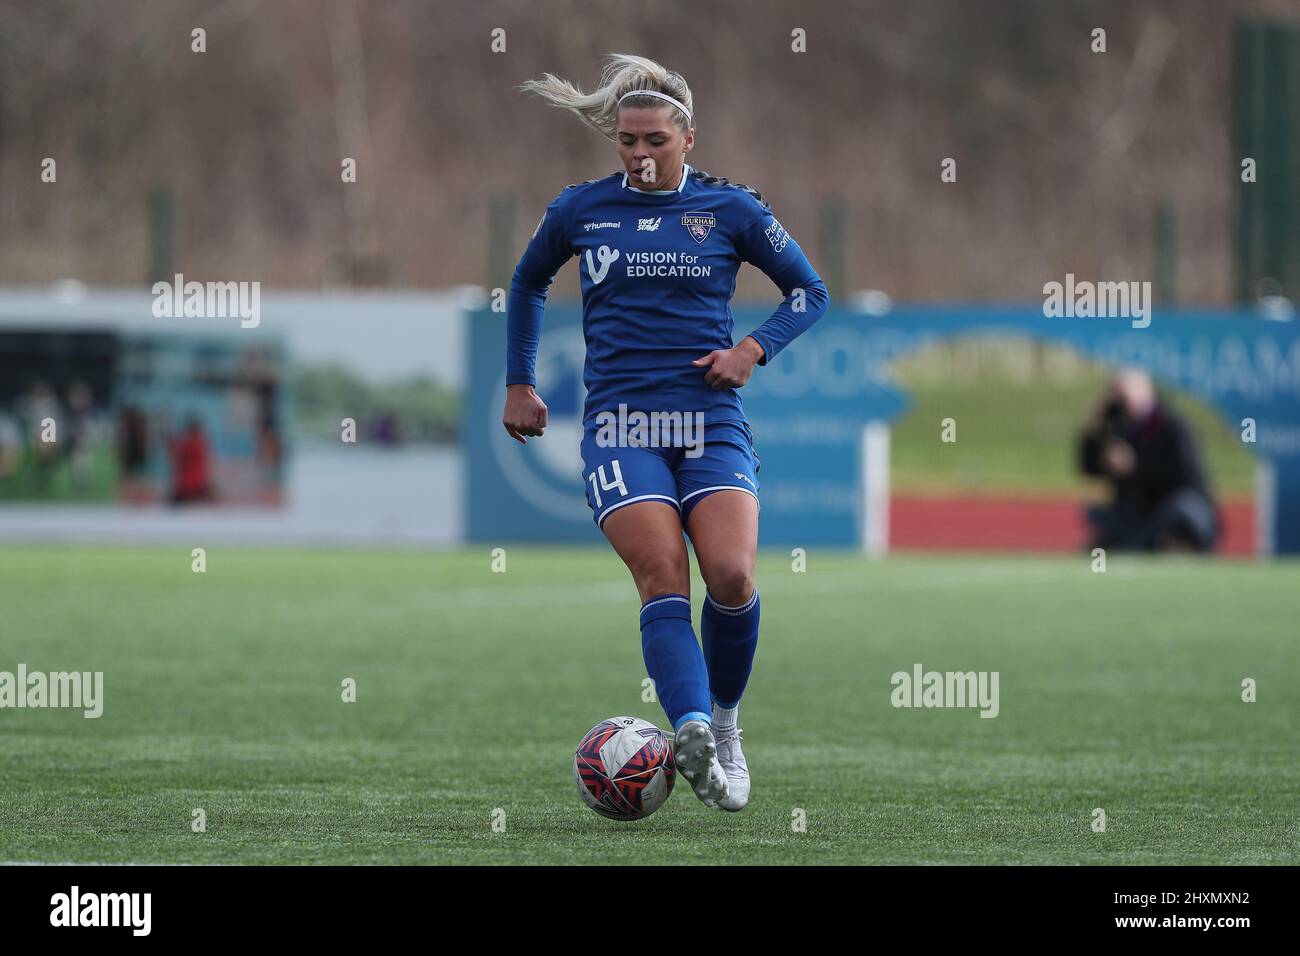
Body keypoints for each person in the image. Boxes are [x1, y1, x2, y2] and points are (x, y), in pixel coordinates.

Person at [505, 54, 829, 810]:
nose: (640, 156)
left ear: (689, 137)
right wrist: (519, 380)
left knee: (733, 577)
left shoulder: (733, 210)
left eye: (655, 140)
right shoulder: (581, 209)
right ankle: (685, 729)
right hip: (621, 426)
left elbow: (809, 292)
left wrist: (752, 349)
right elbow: (525, 280)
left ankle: (722, 728)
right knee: (662, 575)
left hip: (709, 422)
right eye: (627, 142)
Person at [1079, 368, 1220, 552]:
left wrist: (1136, 466)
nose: (1124, 400)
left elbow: (1186, 476)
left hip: (1174, 509)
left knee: (1181, 509)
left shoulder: (1173, 428)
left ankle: (1174, 547)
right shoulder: (1120, 428)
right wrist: (1095, 424)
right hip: (1139, 514)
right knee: (1097, 515)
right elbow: (1089, 467)